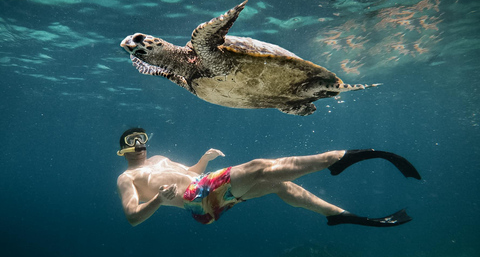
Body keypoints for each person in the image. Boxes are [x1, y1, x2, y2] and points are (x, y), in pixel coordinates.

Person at [116, 128, 421, 227]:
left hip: (206, 188)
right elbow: (132, 217)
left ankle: (342, 216)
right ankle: (336, 159)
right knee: (261, 165)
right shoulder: (126, 178)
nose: (140, 145)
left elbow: (190, 174)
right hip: (196, 202)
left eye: (142, 138)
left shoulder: (158, 159)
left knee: (279, 185)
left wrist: (203, 160)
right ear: (123, 150)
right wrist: (158, 198)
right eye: (132, 141)